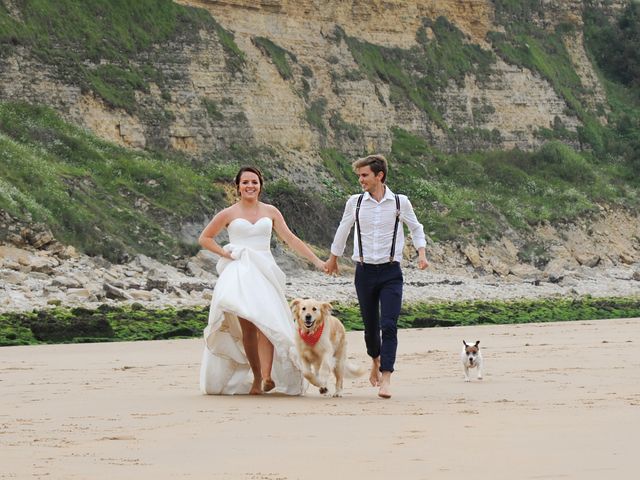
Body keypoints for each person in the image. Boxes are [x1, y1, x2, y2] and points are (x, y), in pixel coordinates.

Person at [198, 166, 326, 395]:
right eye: (245, 182)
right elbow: (205, 238)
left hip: (264, 271)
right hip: (240, 272)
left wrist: (318, 262)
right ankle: (257, 378)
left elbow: (290, 238)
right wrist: (225, 253)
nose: (250, 186)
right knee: (249, 326)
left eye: (254, 182)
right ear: (237, 186)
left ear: (260, 186)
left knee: (266, 324)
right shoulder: (228, 213)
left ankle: (267, 377)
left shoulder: (271, 211)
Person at [325, 154, 429, 399]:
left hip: (391, 272)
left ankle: (386, 378)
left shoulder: (400, 202)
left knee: (389, 325)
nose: (361, 180)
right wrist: (333, 258)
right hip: (364, 272)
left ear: (379, 175)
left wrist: (421, 253)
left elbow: (416, 228)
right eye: (359, 176)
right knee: (371, 328)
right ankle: (375, 358)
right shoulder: (355, 202)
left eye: (364, 175)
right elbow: (343, 229)